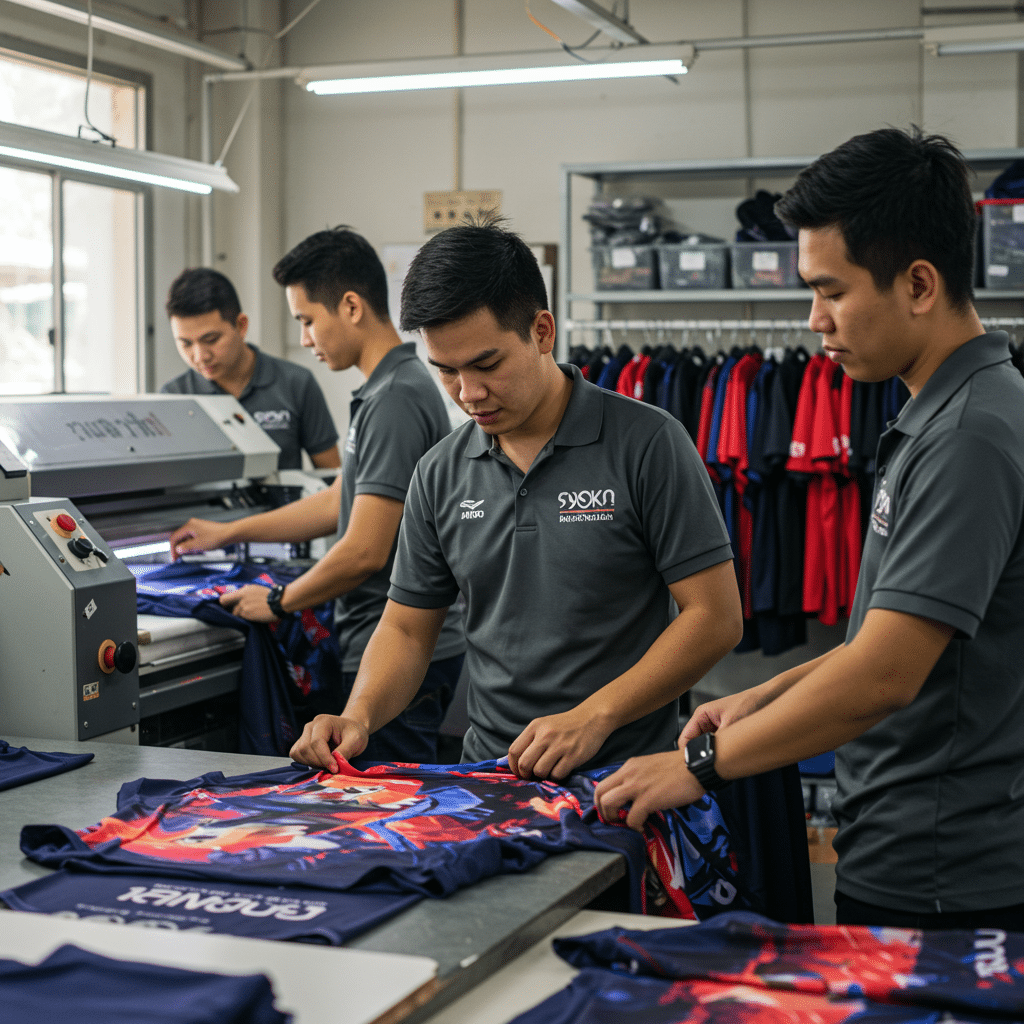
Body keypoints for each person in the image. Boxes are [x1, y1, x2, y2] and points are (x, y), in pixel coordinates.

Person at [595, 127, 1024, 931]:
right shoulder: (943, 415)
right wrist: (763, 696)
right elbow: (893, 639)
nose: (814, 320)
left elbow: (884, 676)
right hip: (916, 850)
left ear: (919, 284)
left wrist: (700, 766)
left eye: (831, 291)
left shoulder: (967, 436)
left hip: (942, 873)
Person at [289, 220, 743, 780]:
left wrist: (594, 716)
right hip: (489, 780)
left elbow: (715, 618)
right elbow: (406, 629)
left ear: (542, 331)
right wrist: (359, 715)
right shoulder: (439, 472)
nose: (469, 393)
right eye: (447, 371)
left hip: (626, 781)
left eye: (487, 365)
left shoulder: (648, 443)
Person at [168, 229, 466, 761]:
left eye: (307, 320)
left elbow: (364, 551)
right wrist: (229, 531)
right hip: (386, 641)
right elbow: (338, 502)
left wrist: (278, 600)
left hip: (392, 650)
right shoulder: (386, 389)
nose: (305, 339)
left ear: (350, 306)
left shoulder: (393, 399)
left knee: (384, 802)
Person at [162, 267, 340, 471]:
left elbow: (333, 476)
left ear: (241, 325)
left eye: (211, 340)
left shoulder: (296, 383)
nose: (200, 356)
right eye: (185, 343)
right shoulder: (172, 399)